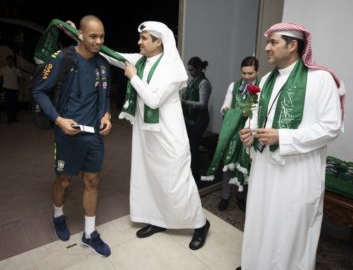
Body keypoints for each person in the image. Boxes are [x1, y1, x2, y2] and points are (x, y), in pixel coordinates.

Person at [236, 23, 345, 270]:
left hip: (296, 170)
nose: (267, 48)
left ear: (293, 45)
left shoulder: (320, 79)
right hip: (264, 167)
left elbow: (331, 127)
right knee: (261, 220)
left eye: (273, 42)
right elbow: (256, 112)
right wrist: (250, 131)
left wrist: (283, 137)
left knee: (288, 228)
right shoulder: (265, 79)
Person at [103, 21, 210, 250]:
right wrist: (77, 36)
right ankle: (159, 220)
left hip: (169, 138)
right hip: (147, 136)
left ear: (158, 41)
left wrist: (132, 77)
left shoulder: (172, 67)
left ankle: (200, 224)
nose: (139, 42)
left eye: (144, 38)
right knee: (152, 180)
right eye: (139, 38)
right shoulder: (140, 61)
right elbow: (112, 55)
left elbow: (153, 99)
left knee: (177, 183)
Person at [32, 15, 112, 257]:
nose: (98, 41)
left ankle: (89, 234)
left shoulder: (103, 64)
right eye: (93, 36)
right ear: (80, 35)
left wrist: (106, 114)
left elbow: (104, 94)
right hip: (67, 134)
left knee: (92, 182)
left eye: (102, 37)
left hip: (94, 137)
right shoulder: (62, 59)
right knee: (64, 181)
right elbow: (38, 90)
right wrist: (59, 120)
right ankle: (58, 216)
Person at [202, 56, 259, 211]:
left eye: (250, 73)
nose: (246, 77)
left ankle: (241, 196)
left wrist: (251, 113)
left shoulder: (263, 87)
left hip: (251, 133)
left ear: (257, 72)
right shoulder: (234, 86)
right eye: (243, 73)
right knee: (227, 163)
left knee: (247, 164)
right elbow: (225, 106)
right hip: (233, 132)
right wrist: (232, 112)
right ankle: (225, 196)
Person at [181, 56, 212, 184]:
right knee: (187, 146)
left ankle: (196, 177)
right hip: (190, 118)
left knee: (193, 147)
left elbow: (202, 104)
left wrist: (184, 102)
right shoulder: (191, 80)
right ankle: (189, 173)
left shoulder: (204, 83)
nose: (190, 73)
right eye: (188, 70)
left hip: (200, 119)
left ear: (199, 68)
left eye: (192, 70)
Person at [0, 55, 23, 124]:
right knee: (8, 104)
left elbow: (20, 79)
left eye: (11, 60)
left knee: (14, 104)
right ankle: (9, 118)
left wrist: (21, 88)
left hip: (15, 88)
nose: (10, 61)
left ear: (12, 61)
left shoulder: (16, 69)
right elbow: (0, 79)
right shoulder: (2, 69)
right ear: (6, 61)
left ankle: (14, 117)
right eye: (8, 60)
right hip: (6, 88)